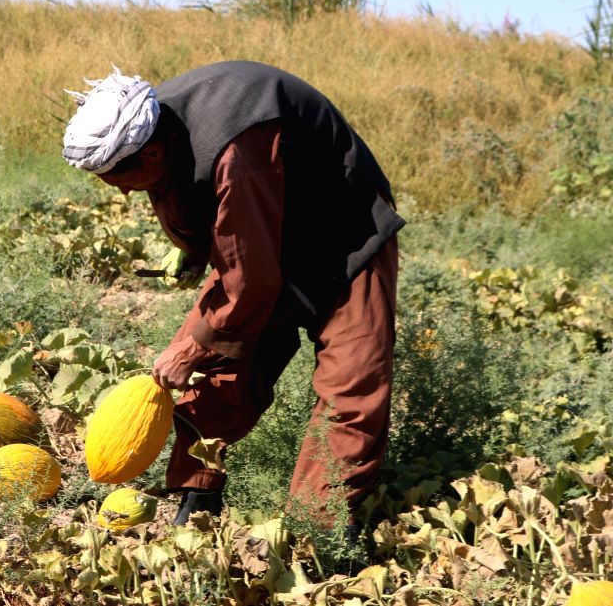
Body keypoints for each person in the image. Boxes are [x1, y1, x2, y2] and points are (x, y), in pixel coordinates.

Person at [61, 61, 404, 533]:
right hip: (267, 233)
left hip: (345, 234)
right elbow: (229, 233)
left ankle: (318, 533)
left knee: (352, 385)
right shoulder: (154, 126)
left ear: (152, 155)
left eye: (117, 180)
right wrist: (193, 256)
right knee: (220, 369)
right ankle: (197, 497)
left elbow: (251, 281)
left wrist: (191, 344)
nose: (119, 191)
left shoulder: (235, 148)